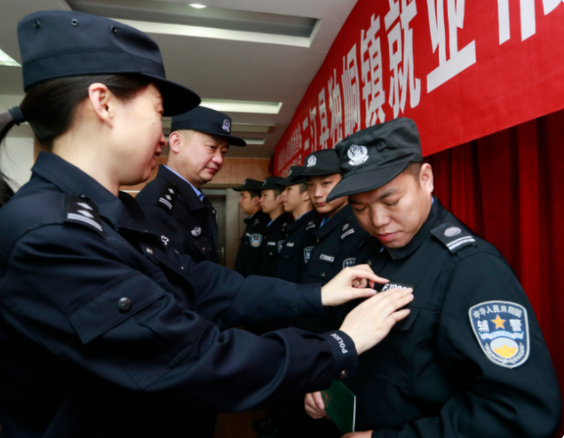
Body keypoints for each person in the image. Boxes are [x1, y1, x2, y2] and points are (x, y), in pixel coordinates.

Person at [0, 11, 415, 438]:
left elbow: (202, 285)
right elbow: (192, 358)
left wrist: (318, 294)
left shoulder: (106, 212)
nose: (163, 137)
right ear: (103, 103)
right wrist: (338, 346)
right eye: (158, 113)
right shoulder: (51, 235)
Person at [305, 117, 562, 438]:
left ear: (426, 179)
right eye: (360, 209)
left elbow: (519, 412)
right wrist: (327, 377)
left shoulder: (470, 267)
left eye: (391, 201)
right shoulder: (366, 251)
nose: (378, 220)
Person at [136, 106, 246, 263]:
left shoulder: (194, 198)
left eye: (223, 152)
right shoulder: (156, 206)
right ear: (176, 142)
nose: (219, 160)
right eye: (212, 147)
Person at [275, 166, 319, 283]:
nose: (283, 194)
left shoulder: (311, 231)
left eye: (289, 189)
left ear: (306, 195)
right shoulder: (295, 226)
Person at [233, 178, 270, 276]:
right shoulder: (253, 221)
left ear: (256, 200)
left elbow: (254, 262)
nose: (240, 201)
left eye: (243, 197)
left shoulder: (261, 223)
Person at [256, 176, 292, 278]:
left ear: (280, 198)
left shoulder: (286, 228)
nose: (260, 200)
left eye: (265, 195)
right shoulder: (265, 224)